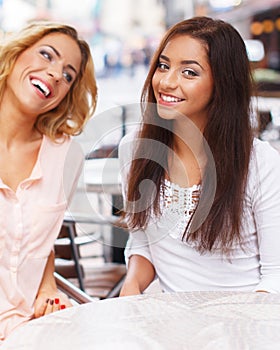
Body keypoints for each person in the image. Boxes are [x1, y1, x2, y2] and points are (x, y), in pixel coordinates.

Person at [118, 16, 280, 296]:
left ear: (223, 84)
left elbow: (275, 276)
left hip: (245, 328)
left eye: (189, 72)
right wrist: (131, 288)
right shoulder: (134, 151)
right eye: (164, 66)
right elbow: (144, 240)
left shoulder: (261, 163)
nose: (167, 82)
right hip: (171, 327)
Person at [0, 21, 97, 342]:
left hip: (31, 327)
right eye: (46, 55)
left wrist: (47, 288)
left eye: (68, 75)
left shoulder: (65, 155)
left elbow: (38, 238)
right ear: (16, 53)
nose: (56, 73)